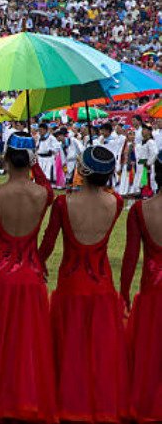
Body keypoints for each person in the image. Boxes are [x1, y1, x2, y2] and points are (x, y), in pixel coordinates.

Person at [0, 132, 57, 424]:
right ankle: (23, 399)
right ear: (30, 159)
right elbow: (45, 183)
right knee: (26, 340)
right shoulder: (44, 194)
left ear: (4, 158)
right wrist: (35, 161)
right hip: (30, 272)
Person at [39, 145, 129, 423]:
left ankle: (68, 401)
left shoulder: (64, 204)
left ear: (81, 170)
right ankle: (98, 401)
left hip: (71, 282)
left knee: (69, 347)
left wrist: (37, 262)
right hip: (102, 284)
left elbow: (49, 243)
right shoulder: (117, 202)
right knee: (98, 350)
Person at [120, 150, 162, 423]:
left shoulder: (140, 209)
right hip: (150, 287)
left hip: (151, 289)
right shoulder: (136, 209)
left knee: (149, 353)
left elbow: (131, 256)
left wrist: (123, 291)